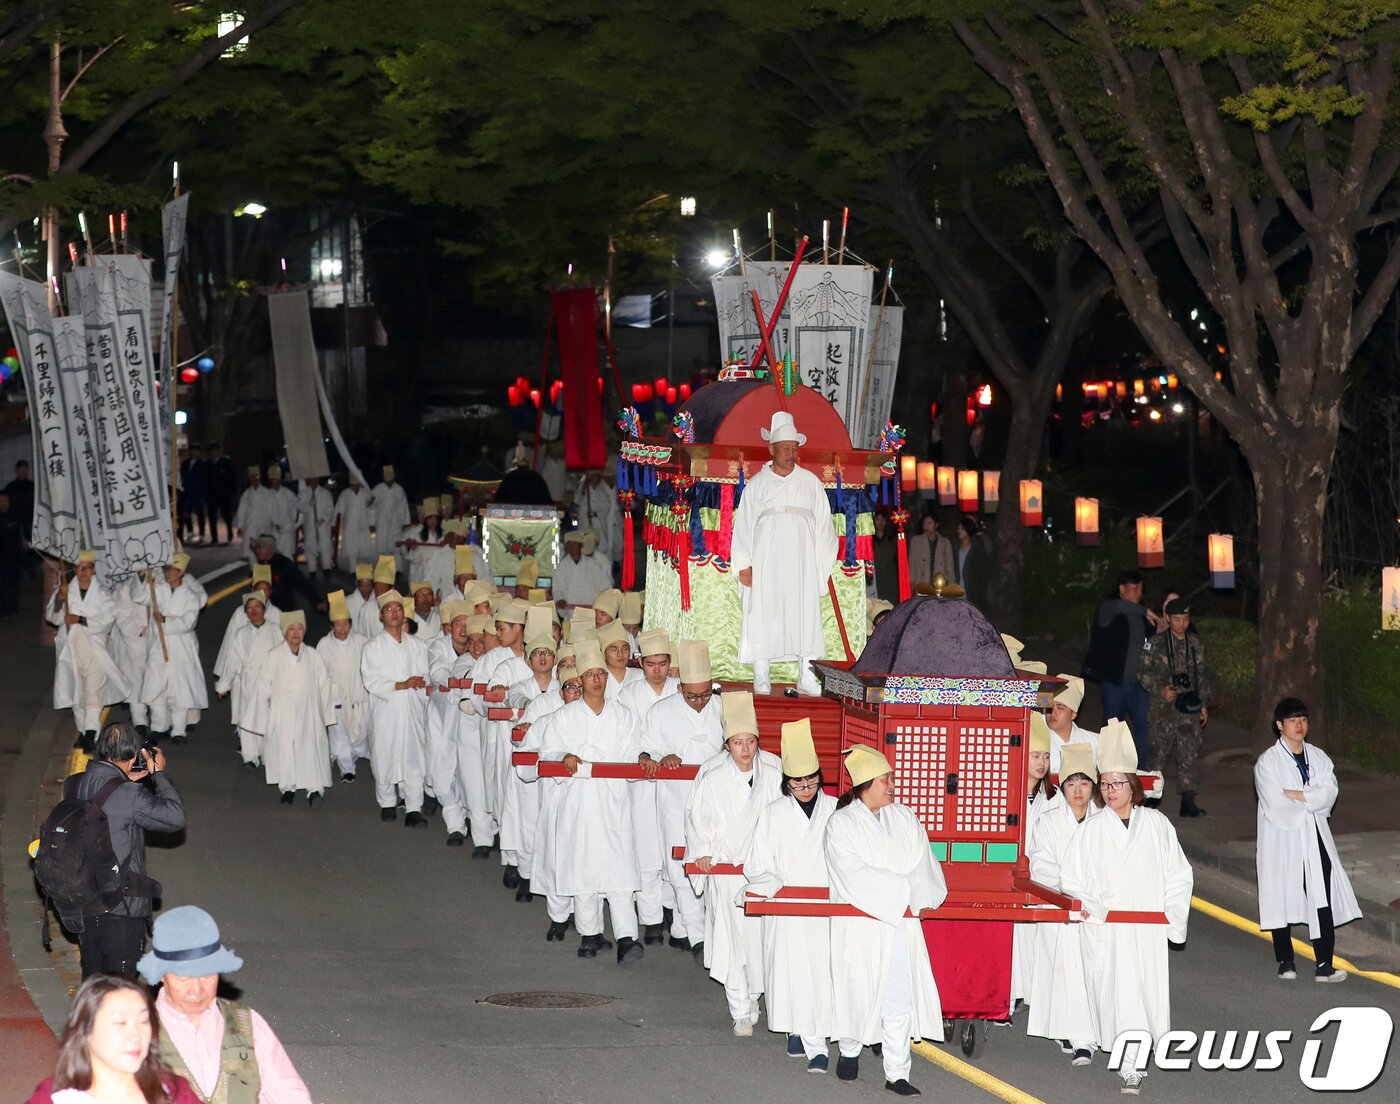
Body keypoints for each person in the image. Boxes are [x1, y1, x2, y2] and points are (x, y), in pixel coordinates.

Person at [1061, 719, 1193, 1095]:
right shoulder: (1090, 830)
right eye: (1105, 784)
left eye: (1117, 783)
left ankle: (1136, 1061)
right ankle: (1128, 1060)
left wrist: (1172, 916)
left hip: (1146, 928)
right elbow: (1072, 879)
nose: (1110, 790)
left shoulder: (1156, 825)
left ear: (1132, 786)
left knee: (1143, 992)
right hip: (1110, 928)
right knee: (1117, 993)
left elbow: (1178, 875)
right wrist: (1096, 909)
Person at [826, 744, 946, 1096]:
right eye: (885, 780)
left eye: (890, 778)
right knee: (856, 986)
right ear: (864, 786)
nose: (893, 785)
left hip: (899, 922)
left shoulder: (904, 817)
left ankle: (897, 1071)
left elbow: (921, 861)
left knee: (898, 994)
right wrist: (901, 889)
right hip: (861, 921)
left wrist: (913, 893)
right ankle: (849, 1050)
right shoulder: (841, 824)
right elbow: (851, 873)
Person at [535, 639, 646, 964]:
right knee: (583, 866)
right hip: (579, 804)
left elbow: (632, 753)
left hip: (613, 802)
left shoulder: (624, 717)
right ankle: (589, 934)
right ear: (579, 679)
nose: (596, 679)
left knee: (619, 869)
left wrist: (641, 757)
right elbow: (548, 751)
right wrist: (564, 756)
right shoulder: (565, 717)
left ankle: (627, 938)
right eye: (590, 674)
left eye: (601, 673)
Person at [137, 906, 313, 1103]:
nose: (197, 990)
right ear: (161, 974)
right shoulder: (138, 1031)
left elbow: (289, 1094)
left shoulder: (246, 1024)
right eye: (184, 978)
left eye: (207, 975)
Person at [686, 691, 783, 1036]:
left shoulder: (774, 769)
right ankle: (740, 1008)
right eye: (737, 742)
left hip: (762, 871)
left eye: (750, 741)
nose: (744, 749)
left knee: (761, 939)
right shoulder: (711, 774)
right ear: (727, 744)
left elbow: (782, 817)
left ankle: (755, 997)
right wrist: (703, 851)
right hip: (727, 872)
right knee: (730, 939)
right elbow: (697, 818)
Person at [744, 718, 838, 1072]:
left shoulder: (835, 811)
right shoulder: (773, 813)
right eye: (797, 781)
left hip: (827, 905)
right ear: (787, 782)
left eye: (811, 778)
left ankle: (818, 1044)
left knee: (820, 972)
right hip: (786, 903)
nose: (806, 786)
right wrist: (774, 886)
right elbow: (758, 862)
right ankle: (794, 1029)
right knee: (789, 970)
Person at [1254, 698, 1361, 983]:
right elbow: (1276, 805)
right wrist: (1311, 797)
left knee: (1321, 893)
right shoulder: (1268, 762)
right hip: (1282, 836)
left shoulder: (1318, 756)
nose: (1299, 725)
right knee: (1281, 892)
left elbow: (1330, 792)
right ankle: (1285, 960)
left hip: (1315, 835)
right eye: (1292, 720)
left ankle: (1324, 964)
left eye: (1303, 718)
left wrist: (1298, 795)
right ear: (1279, 725)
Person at [731, 412, 837, 696]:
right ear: (772, 449)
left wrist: (819, 563)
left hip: (802, 564)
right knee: (765, 613)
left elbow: (825, 524)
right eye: (785, 448)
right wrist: (744, 564)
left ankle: (806, 675)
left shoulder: (811, 482)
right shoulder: (757, 485)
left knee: (804, 614)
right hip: (767, 562)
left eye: (794, 448)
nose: (791, 454)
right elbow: (743, 526)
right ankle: (762, 675)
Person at [68, 722, 185, 978]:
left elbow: (106, 802)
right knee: (120, 993)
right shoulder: (130, 795)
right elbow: (174, 817)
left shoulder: (74, 784)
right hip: (121, 909)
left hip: (84, 905)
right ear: (134, 755)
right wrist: (158, 773)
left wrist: (123, 781)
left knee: (94, 986)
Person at [644, 640, 724, 956]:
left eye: (706, 694)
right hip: (674, 799)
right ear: (680, 690)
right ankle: (698, 936)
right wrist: (664, 757)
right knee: (680, 864)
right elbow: (646, 747)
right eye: (692, 696)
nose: (700, 701)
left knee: (709, 860)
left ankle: (688, 927)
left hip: (714, 800)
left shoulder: (721, 707)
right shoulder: (660, 712)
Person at [1026, 743, 1102, 1066]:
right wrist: (1067, 892)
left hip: (1094, 909)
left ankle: (1087, 1037)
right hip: (1061, 907)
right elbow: (1041, 865)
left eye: (1084, 783)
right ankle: (1070, 1031)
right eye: (1070, 783)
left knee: (1090, 972)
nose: (1077, 791)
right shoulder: (1050, 820)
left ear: (1093, 786)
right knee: (1064, 971)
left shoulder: (1104, 822)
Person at [26, 974, 200, 1104]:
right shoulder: (55, 1099)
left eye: (143, 1021)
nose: (136, 1035)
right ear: (86, 1031)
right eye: (120, 1022)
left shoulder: (174, 1092)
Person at [618, 630, 679, 942]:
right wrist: (643, 754)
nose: (657, 670)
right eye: (651, 664)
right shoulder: (629, 695)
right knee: (646, 848)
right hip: (642, 782)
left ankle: (674, 913)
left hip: (675, 782)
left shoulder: (680, 690)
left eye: (662, 663)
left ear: (670, 663)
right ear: (641, 663)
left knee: (674, 847)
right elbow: (625, 735)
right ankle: (651, 920)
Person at [245, 611, 335, 806]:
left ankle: (314, 789)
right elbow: (263, 685)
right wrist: (262, 714)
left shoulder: (313, 655)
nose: (296, 633)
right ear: (284, 632)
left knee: (310, 748)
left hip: (308, 712)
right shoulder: (274, 655)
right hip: (282, 711)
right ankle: (288, 787)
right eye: (291, 629)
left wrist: (324, 714)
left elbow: (324, 685)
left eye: (300, 628)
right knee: (285, 748)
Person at [360, 589, 431, 825]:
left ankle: (413, 808)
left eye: (398, 609)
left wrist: (421, 683)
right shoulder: (372, 647)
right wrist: (400, 684)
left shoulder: (417, 645)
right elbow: (371, 680)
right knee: (384, 754)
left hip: (412, 711)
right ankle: (387, 802)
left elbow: (425, 674)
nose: (394, 613)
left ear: (404, 614)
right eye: (389, 609)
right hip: (386, 711)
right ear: (381, 615)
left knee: (413, 758)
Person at [498, 629, 560, 899]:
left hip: (556, 768)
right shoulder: (522, 687)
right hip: (529, 765)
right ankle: (525, 874)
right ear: (528, 660)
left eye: (547, 653)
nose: (543, 658)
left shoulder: (565, 688)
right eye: (537, 654)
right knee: (527, 821)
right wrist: (531, 708)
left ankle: (549, 878)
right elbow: (514, 698)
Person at [47, 550, 128, 753]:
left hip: (94, 651)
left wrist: (82, 620)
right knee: (76, 695)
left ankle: (91, 733)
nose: (83, 572)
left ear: (93, 570)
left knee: (93, 694)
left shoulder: (101, 594)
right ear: (75, 569)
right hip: (71, 651)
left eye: (87, 568)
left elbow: (109, 616)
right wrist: (59, 599)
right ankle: (84, 732)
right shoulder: (66, 590)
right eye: (80, 568)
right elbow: (53, 616)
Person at [1138, 597, 1211, 817]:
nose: (1181, 623)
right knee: (1158, 755)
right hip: (1163, 708)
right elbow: (1142, 672)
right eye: (1177, 619)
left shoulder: (1195, 643)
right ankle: (1149, 799)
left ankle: (1188, 802)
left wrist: (1204, 704)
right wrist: (1160, 689)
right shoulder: (1155, 643)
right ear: (1167, 618)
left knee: (1189, 753)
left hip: (1188, 706)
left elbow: (1203, 675)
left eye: (1185, 619)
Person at [1007, 714, 1059, 1021]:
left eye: (1046, 757)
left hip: (1040, 877)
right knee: (1013, 937)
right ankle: (1010, 995)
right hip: (1010, 876)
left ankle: (1037, 995)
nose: (1041, 763)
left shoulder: (1052, 800)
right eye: (1035, 755)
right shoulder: (1005, 793)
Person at [1084, 569, 1155, 769]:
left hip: (1140, 683)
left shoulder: (1142, 616)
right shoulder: (1110, 609)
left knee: (1144, 724)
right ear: (1122, 589)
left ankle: (1142, 771)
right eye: (1134, 588)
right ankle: (1109, 769)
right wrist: (1144, 610)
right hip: (1115, 680)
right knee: (1112, 726)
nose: (1139, 593)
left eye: (1141, 589)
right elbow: (1113, 605)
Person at [137, 555, 207, 745]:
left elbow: (188, 621)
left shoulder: (190, 596)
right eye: (166, 569)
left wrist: (166, 620)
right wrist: (144, 578)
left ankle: (178, 730)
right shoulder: (156, 589)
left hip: (181, 647)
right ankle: (159, 727)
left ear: (181, 573)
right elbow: (138, 596)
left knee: (180, 688)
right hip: (158, 647)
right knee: (156, 685)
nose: (168, 573)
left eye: (172, 570)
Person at [214, 592, 282, 770]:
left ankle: (268, 754)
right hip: (248, 681)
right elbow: (233, 662)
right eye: (249, 608)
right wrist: (223, 685)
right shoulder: (241, 633)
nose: (253, 611)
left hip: (269, 682)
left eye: (257, 607)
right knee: (246, 718)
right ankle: (249, 755)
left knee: (269, 718)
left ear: (264, 609)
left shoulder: (275, 629)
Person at [317, 591, 370, 783]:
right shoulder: (323, 644)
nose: (342, 628)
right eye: (338, 625)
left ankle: (355, 753)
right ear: (331, 626)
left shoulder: (361, 641)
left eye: (345, 623)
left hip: (358, 695)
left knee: (360, 730)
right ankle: (346, 767)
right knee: (339, 733)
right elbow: (320, 672)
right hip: (337, 696)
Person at [251, 535, 327, 618]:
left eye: (259, 547)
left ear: (269, 548)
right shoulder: (260, 565)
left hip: (283, 609)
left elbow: (303, 583)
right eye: (256, 548)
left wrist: (317, 601)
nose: (257, 551)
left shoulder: (284, 564)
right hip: (264, 609)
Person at [1046, 674, 1099, 774]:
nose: (1052, 713)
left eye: (1060, 708)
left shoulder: (1093, 741)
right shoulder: (1037, 738)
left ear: (1073, 714)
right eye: (1049, 707)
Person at [552, 528, 611, 607]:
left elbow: (604, 587)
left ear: (581, 545)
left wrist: (600, 605)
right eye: (569, 544)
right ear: (566, 546)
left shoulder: (593, 564)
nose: (572, 547)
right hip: (570, 611)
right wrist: (560, 600)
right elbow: (558, 589)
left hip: (591, 609)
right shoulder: (561, 567)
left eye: (575, 544)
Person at [369, 464, 410, 568]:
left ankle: (398, 570)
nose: (389, 483)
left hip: (395, 523)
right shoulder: (377, 489)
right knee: (382, 546)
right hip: (381, 522)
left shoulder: (399, 490)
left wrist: (405, 523)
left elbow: (403, 506)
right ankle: (383, 569)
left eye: (390, 481)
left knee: (396, 546)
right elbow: (371, 507)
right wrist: (371, 523)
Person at [232, 467, 273, 566]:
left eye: (256, 476)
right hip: (250, 527)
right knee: (251, 553)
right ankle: (254, 574)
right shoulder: (246, 494)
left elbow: (272, 510)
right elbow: (242, 511)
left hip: (264, 527)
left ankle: (265, 576)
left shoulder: (267, 493)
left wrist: (274, 522)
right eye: (252, 477)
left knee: (264, 551)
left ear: (260, 477)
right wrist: (240, 526)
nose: (254, 479)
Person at [334, 473, 374, 573]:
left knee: (363, 548)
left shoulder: (365, 493)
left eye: (357, 484)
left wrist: (372, 523)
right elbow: (339, 510)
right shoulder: (345, 494)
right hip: (350, 526)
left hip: (363, 524)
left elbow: (372, 507)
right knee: (351, 549)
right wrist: (335, 524)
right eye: (353, 485)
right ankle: (352, 571)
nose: (355, 486)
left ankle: (363, 571)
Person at [297, 475, 335, 579]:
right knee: (310, 548)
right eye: (312, 478)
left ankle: (326, 569)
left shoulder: (325, 493)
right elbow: (300, 507)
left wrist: (322, 520)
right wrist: (309, 504)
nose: (314, 480)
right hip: (309, 527)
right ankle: (312, 570)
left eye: (315, 478)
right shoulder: (303, 494)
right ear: (308, 479)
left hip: (322, 527)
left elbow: (330, 509)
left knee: (325, 548)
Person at [354, 555, 399, 639]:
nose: (379, 592)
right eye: (376, 588)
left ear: (392, 589)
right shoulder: (366, 608)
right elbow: (360, 635)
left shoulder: (399, 609)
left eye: (382, 589)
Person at [908, 510, 955, 587]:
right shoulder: (916, 541)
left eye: (930, 523)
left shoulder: (945, 542)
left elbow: (950, 568)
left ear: (936, 525)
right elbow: (912, 565)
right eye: (925, 523)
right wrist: (911, 584)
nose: (927, 526)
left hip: (940, 584)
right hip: (921, 583)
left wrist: (951, 586)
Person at [952, 514, 990, 609]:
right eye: (958, 528)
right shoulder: (955, 547)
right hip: (956, 590)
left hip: (972, 591)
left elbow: (983, 572)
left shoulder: (977, 549)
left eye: (962, 529)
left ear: (968, 529)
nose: (959, 531)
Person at [0, 488, 24, 614]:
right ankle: (3, 609)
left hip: (13, 556)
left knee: (13, 584)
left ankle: (13, 608)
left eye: (5, 500)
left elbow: (19, 537)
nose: (3, 503)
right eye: (1, 500)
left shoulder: (14, 516)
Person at [870, 511, 900, 602]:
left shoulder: (893, 539)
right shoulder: (869, 540)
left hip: (890, 580)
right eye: (877, 519)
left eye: (882, 519)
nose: (880, 522)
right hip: (874, 579)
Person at [5, 458, 35, 538]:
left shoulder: (33, 485)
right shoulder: (10, 487)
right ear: (16, 471)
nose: (23, 471)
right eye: (21, 469)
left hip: (32, 521)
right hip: (17, 523)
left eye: (25, 469)